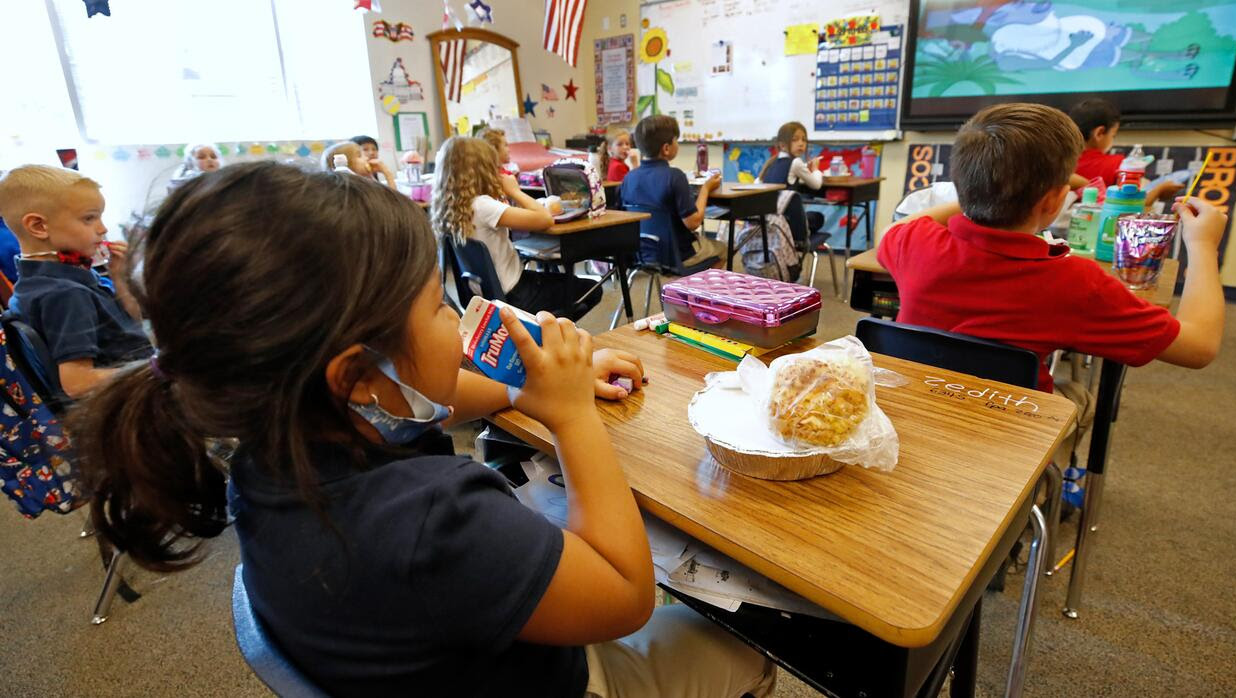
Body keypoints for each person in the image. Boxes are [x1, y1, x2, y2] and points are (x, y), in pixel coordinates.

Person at [71, 161, 776, 697]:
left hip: (429, 661)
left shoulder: (271, 453)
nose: (455, 316)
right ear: (356, 374)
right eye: (437, 305)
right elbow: (625, 597)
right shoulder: (432, 515)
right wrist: (568, 414)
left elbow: (435, 400)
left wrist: (525, 387)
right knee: (744, 650)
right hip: (557, 679)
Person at [878, 102, 1224, 396]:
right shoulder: (1077, 283)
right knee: (1080, 401)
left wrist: (971, 195)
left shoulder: (913, 242)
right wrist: (1203, 245)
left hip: (915, 416)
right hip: (1014, 450)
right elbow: (1199, 347)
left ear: (961, 183)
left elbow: (899, 228)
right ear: (1056, 199)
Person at [0, 165, 151, 397]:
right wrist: (155, 368)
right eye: (89, 218)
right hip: (126, 400)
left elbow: (132, 323)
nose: (103, 229)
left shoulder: (36, 282)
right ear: (39, 226)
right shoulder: (66, 294)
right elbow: (78, 383)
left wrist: (119, 277)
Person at [430, 136, 602, 320]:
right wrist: (514, 191)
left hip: (484, 296)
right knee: (592, 289)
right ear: (483, 169)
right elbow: (545, 219)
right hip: (514, 294)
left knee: (553, 281)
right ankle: (541, 334)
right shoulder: (482, 206)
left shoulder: (450, 209)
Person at [619, 115, 728, 268]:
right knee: (722, 249)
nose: (678, 144)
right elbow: (693, 223)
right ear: (666, 148)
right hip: (677, 255)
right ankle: (694, 290)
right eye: (676, 140)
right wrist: (706, 189)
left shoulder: (629, 178)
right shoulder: (675, 176)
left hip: (642, 254)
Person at [1068, 98, 1182, 205]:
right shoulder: (1119, 165)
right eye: (1113, 135)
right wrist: (1160, 190)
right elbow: (1135, 203)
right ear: (1100, 133)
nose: (1113, 139)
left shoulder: (1060, 162)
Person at [322, 141, 397, 190]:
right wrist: (387, 173)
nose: (366, 158)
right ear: (346, 164)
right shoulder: (354, 189)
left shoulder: (363, 181)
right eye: (359, 155)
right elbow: (393, 202)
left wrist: (370, 175)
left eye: (374, 149)